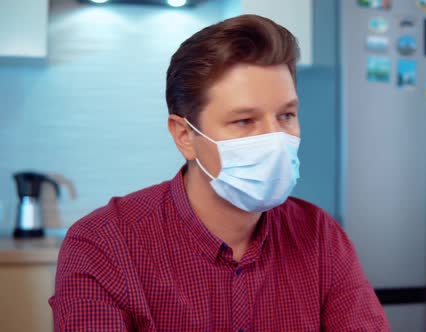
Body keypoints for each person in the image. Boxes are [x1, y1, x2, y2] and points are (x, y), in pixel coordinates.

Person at [49, 14, 389, 331]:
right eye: (244, 121)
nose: (274, 140)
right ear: (185, 136)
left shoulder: (319, 236)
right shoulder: (103, 245)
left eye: (286, 116)